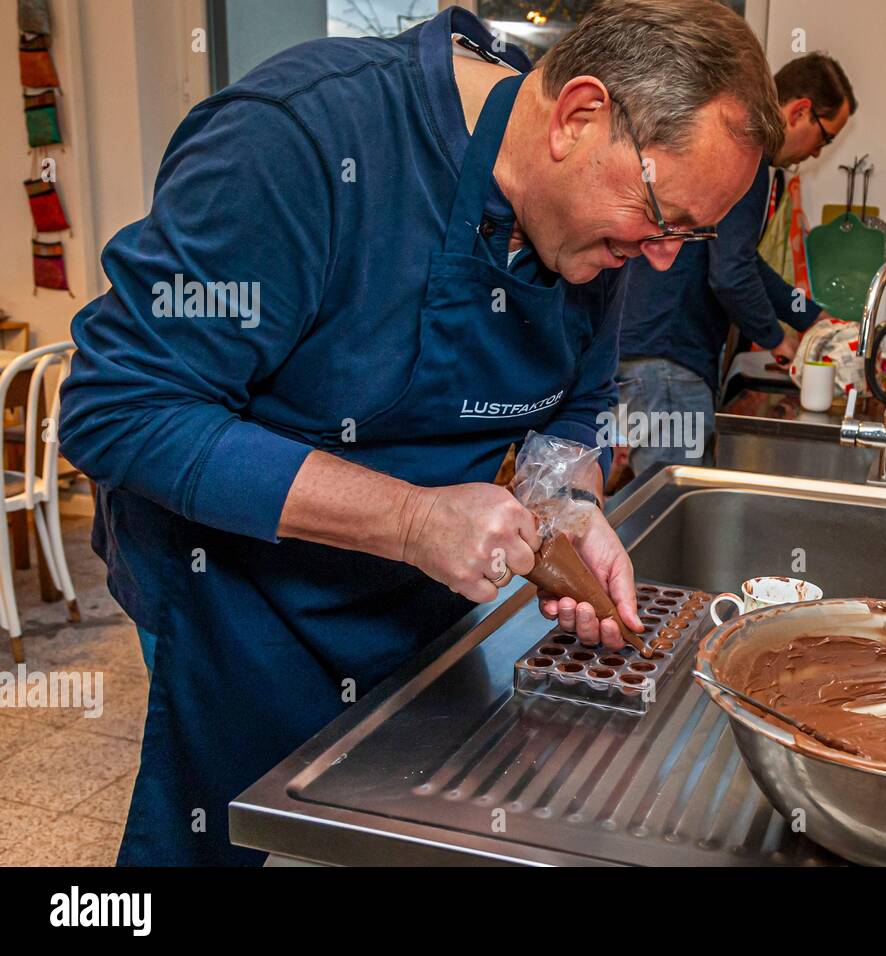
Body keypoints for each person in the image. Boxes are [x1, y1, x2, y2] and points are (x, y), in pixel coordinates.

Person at [57, 1, 782, 865]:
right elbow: (119, 405)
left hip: (421, 617)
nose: (666, 257)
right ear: (579, 117)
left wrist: (569, 510)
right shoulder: (302, 140)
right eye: (664, 221)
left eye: (692, 236)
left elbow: (575, 412)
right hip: (241, 606)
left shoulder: (591, 225)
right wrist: (410, 521)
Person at [615, 52, 857, 471]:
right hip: (669, 357)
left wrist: (810, 317)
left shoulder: (740, 153)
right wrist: (777, 340)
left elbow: (743, 261)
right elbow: (730, 273)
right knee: (668, 513)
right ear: (799, 111)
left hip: (653, 350)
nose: (818, 153)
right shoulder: (749, 160)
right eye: (826, 137)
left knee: (660, 501)